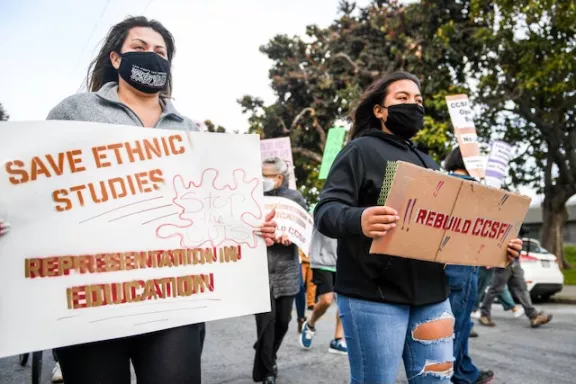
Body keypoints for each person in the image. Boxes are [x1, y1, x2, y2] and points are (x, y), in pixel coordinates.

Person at [36, 16, 277, 384]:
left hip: (170, 300)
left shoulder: (188, 129)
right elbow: (37, 183)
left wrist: (249, 226)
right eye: (139, 48)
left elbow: (206, 204)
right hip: (94, 301)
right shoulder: (75, 111)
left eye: (160, 51)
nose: (150, 55)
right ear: (116, 59)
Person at [313, 71, 523, 384]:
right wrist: (359, 219)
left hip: (433, 299)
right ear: (379, 110)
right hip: (373, 297)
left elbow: (451, 230)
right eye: (402, 98)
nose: (414, 105)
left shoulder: (429, 163)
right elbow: (326, 212)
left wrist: (496, 244)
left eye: (419, 100)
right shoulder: (359, 151)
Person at [254, 157, 307, 384]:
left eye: (267, 175)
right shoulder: (253, 198)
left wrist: (291, 237)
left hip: (287, 269)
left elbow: (303, 230)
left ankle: (268, 353)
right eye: (261, 174)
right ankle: (267, 371)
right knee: (266, 323)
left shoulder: (295, 199)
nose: (263, 179)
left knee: (283, 322)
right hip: (260, 270)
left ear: (279, 177)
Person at [443, 147, 494, 384]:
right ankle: (453, 375)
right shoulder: (476, 191)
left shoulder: (440, 184)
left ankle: (464, 371)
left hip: (440, 268)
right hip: (463, 268)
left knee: (453, 326)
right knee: (457, 327)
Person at [299, 227, 347, 355]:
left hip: (342, 261)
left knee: (343, 301)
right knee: (326, 300)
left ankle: (337, 339)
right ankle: (310, 325)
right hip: (322, 260)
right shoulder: (318, 208)